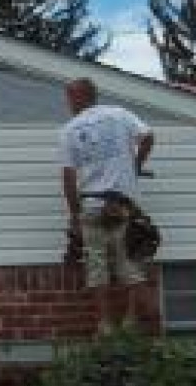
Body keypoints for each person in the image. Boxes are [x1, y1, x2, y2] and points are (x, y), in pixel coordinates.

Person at [58, 77, 155, 333]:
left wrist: (74, 215)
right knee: (130, 263)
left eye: (69, 98)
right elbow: (148, 137)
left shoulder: (71, 129)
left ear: (80, 97)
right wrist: (135, 166)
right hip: (121, 204)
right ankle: (132, 320)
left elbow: (68, 177)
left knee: (97, 267)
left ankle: (105, 325)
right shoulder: (119, 115)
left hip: (91, 205)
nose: (67, 104)